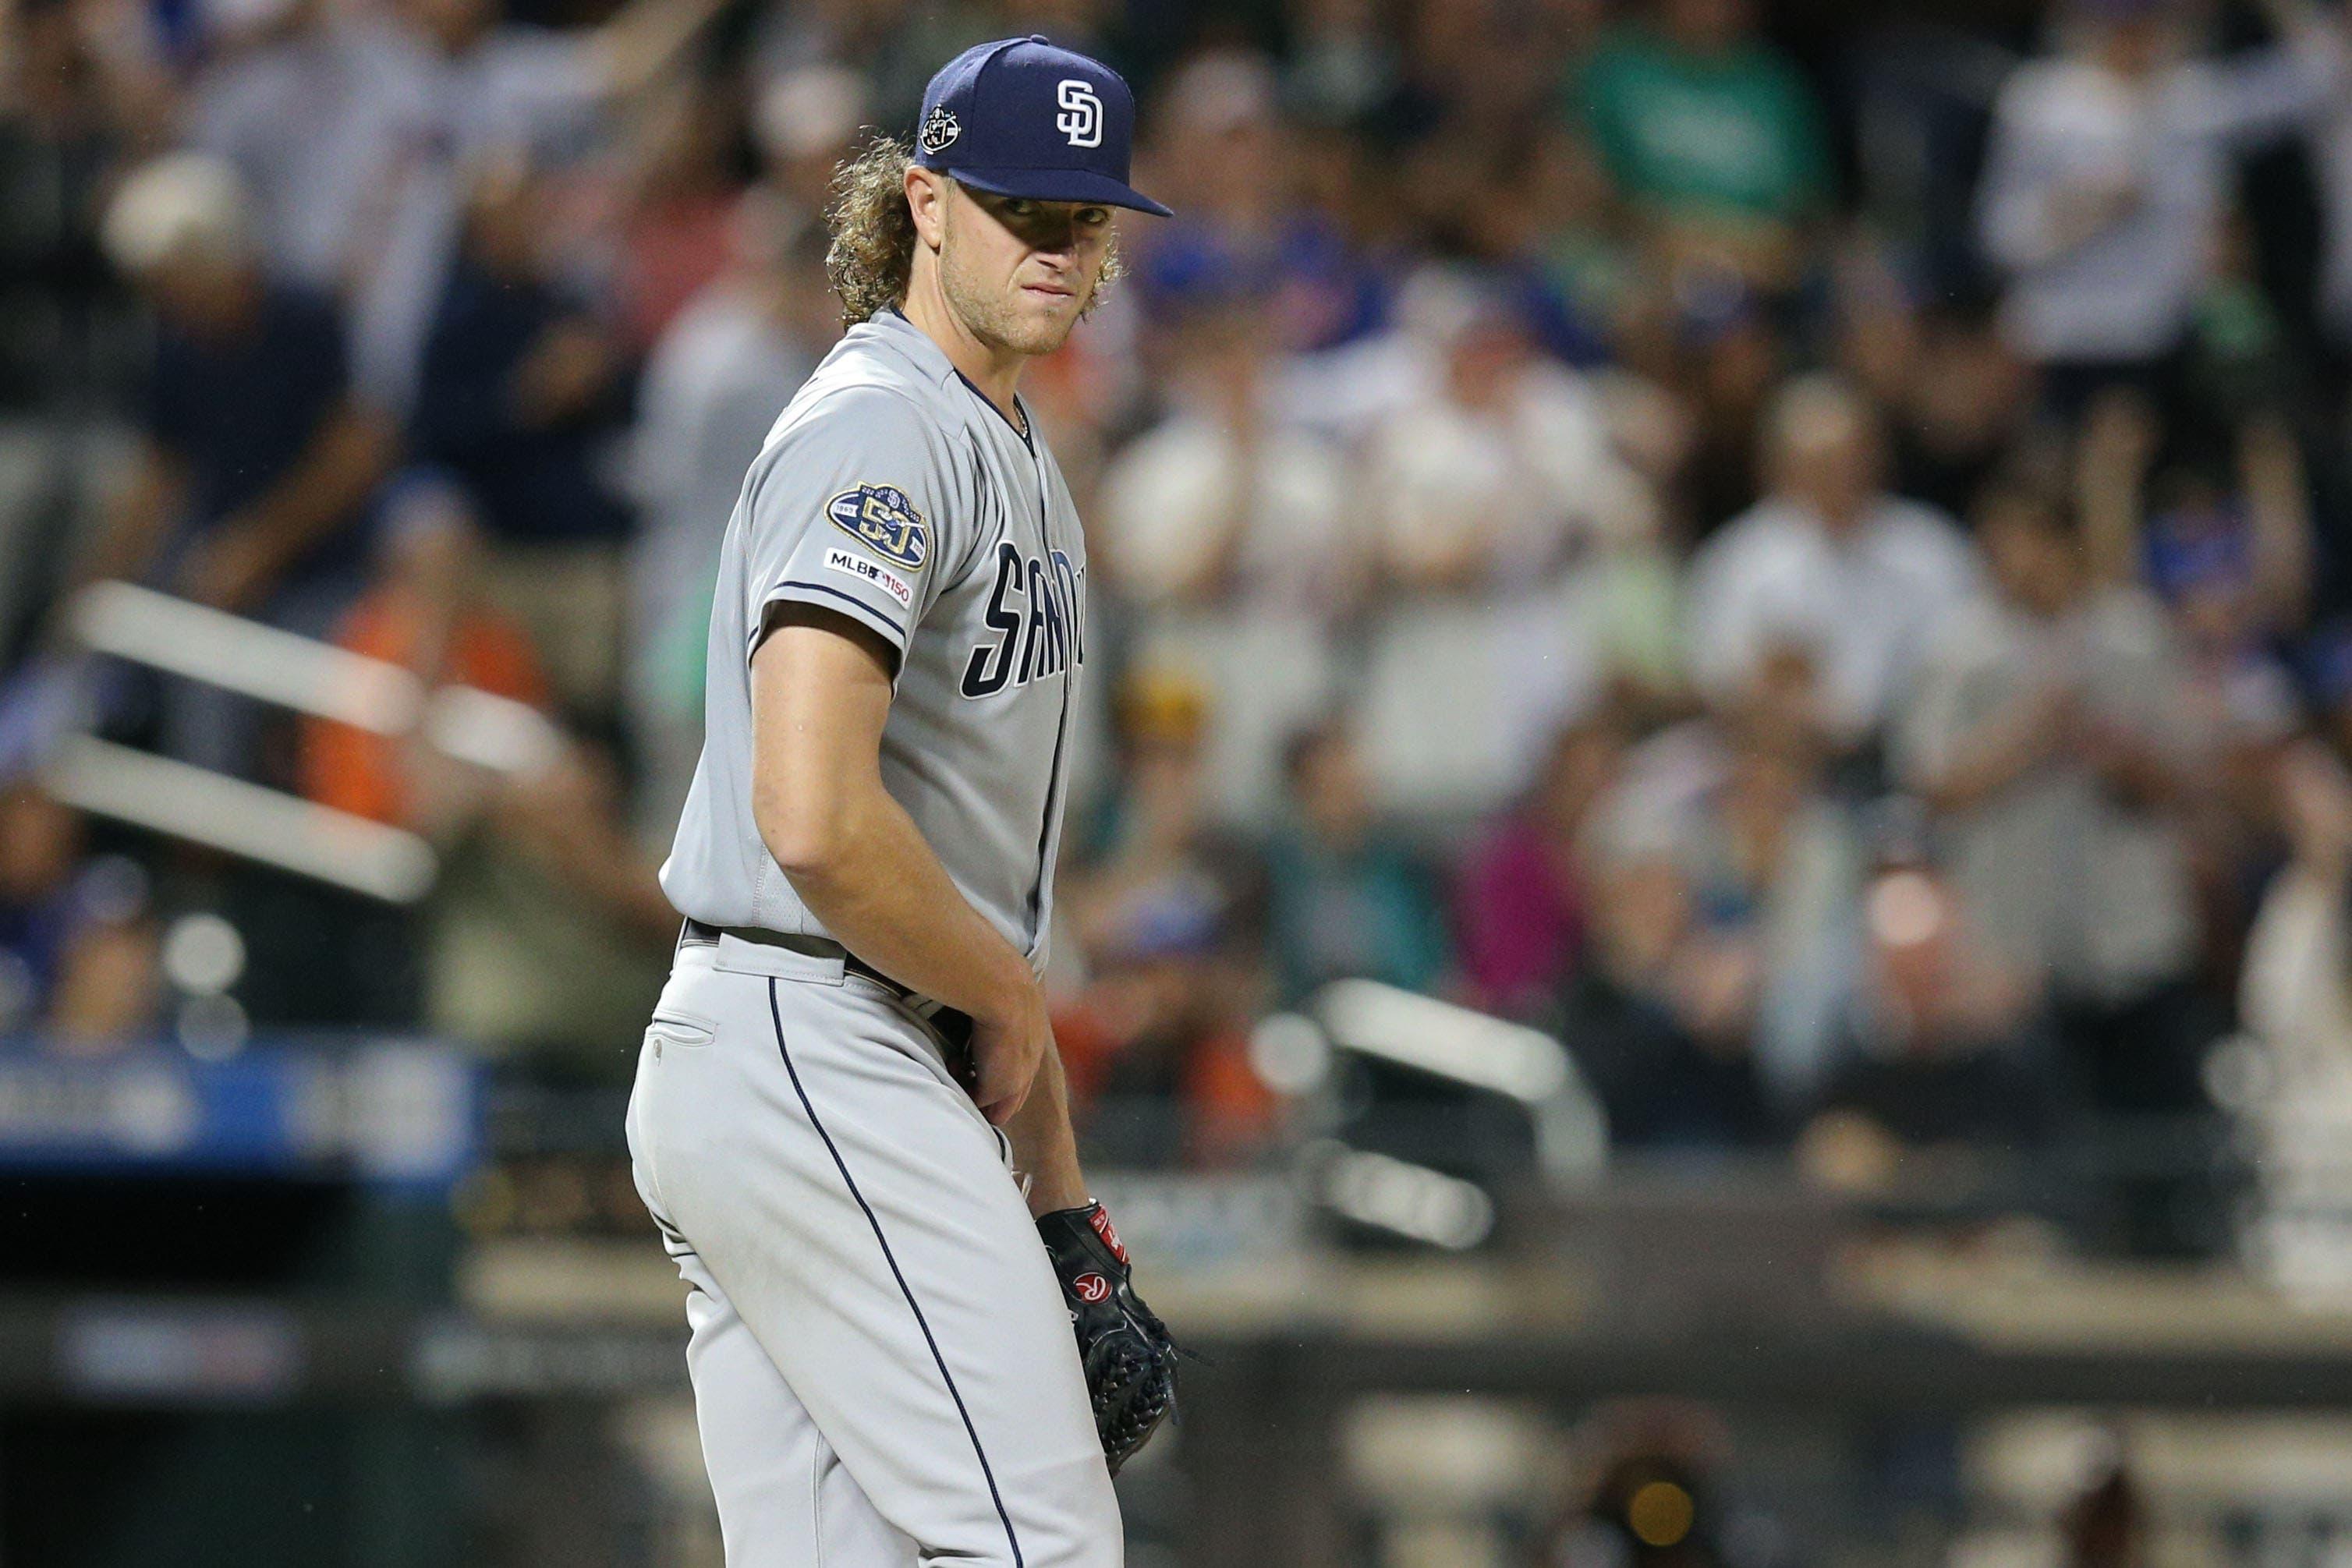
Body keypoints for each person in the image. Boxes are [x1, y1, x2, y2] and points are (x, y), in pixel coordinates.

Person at [626, 38, 1175, 1566]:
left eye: (1083, 220)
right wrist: (1004, 1000)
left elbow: (991, 932)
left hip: (832, 1044)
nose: (1055, 250)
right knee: (1041, 1549)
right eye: (1018, 208)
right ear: (922, 202)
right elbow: (810, 813)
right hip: (819, 1032)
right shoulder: (882, 425)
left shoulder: (1007, 440)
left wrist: (1057, 1187)